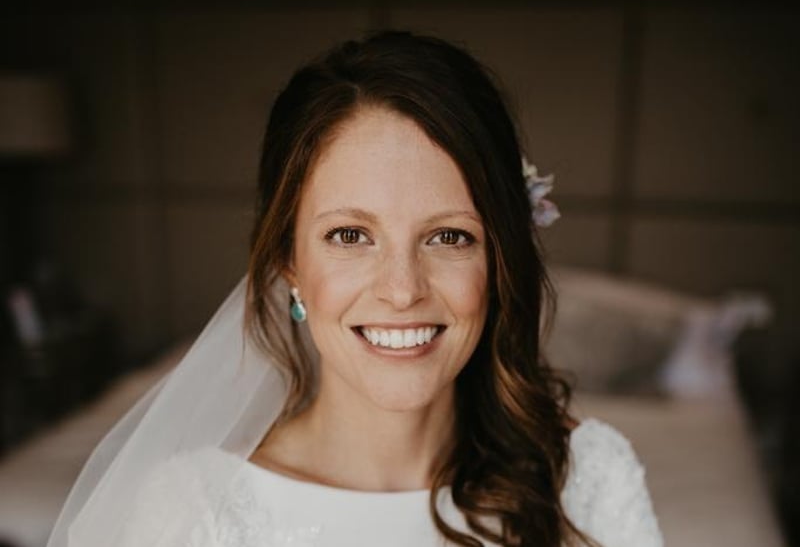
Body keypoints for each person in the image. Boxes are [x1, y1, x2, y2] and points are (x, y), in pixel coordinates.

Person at [46, 31, 662, 547]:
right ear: (288, 261)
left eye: (448, 237)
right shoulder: (190, 512)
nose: (402, 290)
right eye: (349, 235)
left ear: (499, 258)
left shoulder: (587, 481)